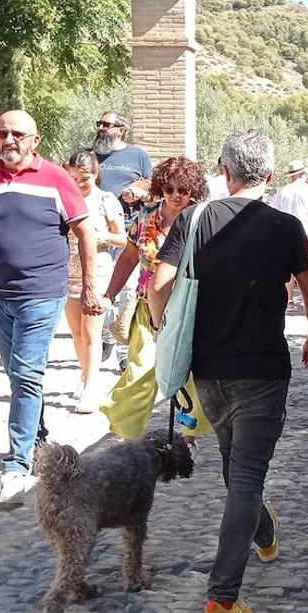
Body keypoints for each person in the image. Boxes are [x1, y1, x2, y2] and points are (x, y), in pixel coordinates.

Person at [147, 129, 308, 613]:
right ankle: (221, 603)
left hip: (209, 370)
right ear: (268, 176)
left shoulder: (193, 219)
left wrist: (168, 329)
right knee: (244, 476)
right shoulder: (285, 226)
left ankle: (264, 534)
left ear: (224, 171)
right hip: (263, 370)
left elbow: (159, 287)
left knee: (235, 466)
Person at [0, 109, 101, 507]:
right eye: (3, 133)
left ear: (35, 140)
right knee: (17, 375)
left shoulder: (56, 179)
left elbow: (86, 232)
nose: (9, 140)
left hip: (41, 293)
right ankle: (38, 442)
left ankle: (16, 466)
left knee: (25, 373)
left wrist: (89, 287)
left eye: (18, 133)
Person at [100, 157, 210, 441]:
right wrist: (110, 294)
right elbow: (127, 258)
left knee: (195, 376)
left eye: (184, 190)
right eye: (170, 188)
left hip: (190, 310)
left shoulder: (201, 220)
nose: (176, 195)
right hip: (149, 310)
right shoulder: (145, 217)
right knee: (140, 372)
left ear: (193, 191)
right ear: (161, 187)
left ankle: (190, 437)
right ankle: (126, 437)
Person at [62, 151, 126, 413]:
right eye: (73, 178)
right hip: (67, 271)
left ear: (96, 174)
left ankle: (91, 386)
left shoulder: (105, 200)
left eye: (84, 178)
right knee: (76, 332)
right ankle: (85, 374)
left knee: (91, 331)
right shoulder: (64, 200)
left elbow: (124, 239)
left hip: (97, 270)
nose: (78, 184)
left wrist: (104, 236)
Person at [269, 160, 308, 306]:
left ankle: (289, 298)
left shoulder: (283, 191)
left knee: (288, 269)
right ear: (302, 173)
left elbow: (274, 210)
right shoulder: (307, 191)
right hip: (305, 232)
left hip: (284, 233)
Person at [92, 111, 153, 208]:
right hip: (96, 217)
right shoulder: (90, 155)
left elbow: (152, 186)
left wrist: (136, 190)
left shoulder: (139, 155)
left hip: (129, 220)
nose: (100, 128)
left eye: (106, 125)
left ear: (121, 130)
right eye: (99, 124)